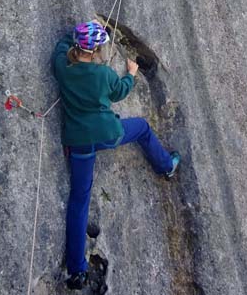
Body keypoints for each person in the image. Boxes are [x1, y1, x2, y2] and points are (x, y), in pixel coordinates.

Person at [52, 20, 181, 291]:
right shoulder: (104, 74)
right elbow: (120, 90)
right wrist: (131, 73)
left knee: (79, 201)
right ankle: (167, 166)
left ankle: (77, 271)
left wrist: (78, 33)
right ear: (97, 49)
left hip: (79, 143)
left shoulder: (63, 67)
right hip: (107, 134)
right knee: (143, 128)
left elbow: (63, 45)